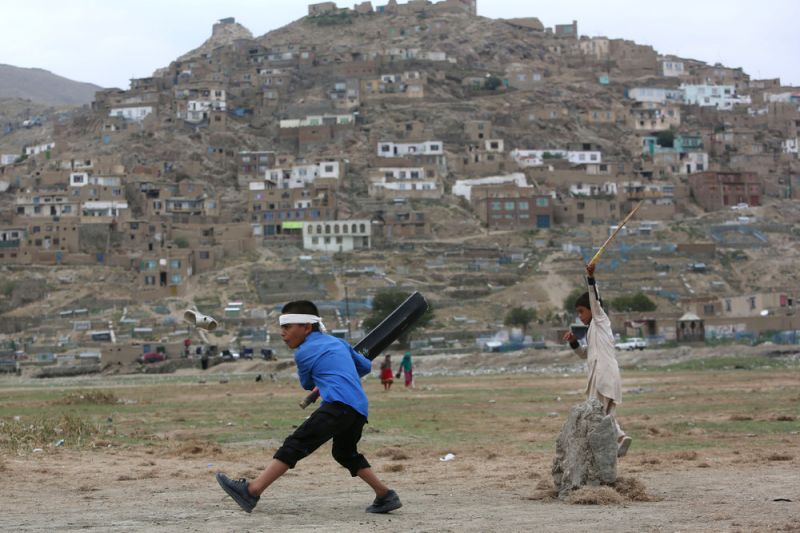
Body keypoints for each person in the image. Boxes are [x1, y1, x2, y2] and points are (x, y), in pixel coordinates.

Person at [215, 300, 402, 514]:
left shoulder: (303, 353)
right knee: (345, 453)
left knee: (295, 444)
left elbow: (307, 384)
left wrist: (326, 376)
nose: (283, 333)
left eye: (287, 327)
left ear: (306, 327)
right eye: (282, 328)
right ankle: (385, 495)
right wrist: (338, 367)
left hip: (338, 405)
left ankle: (252, 491)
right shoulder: (338, 343)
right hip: (358, 408)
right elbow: (365, 366)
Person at [562, 263, 632, 458]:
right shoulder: (594, 330)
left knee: (594, 412)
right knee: (606, 414)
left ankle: (608, 444)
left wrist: (591, 278)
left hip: (603, 375)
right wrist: (574, 342)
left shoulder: (600, 319)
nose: (580, 316)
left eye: (581, 311)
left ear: (592, 309)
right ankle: (620, 439)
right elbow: (584, 354)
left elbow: (595, 299)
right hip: (609, 375)